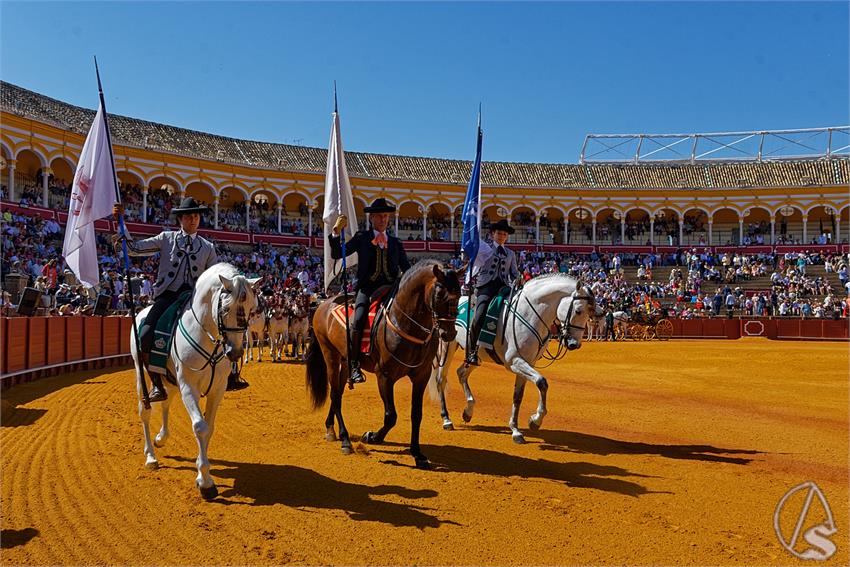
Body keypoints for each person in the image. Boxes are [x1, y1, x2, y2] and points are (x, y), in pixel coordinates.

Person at [114, 197, 220, 402]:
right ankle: (156, 384)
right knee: (144, 335)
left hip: (194, 299)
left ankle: (228, 375)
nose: (193, 220)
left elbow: (213, 276)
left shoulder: (207, 247)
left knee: (222, 332)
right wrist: (121, 223)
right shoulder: (166, 238)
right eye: (189, 216)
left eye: (196, 216)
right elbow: (134, 249)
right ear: (180, 219)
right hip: (167, 297)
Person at [329, 198, 410, 385]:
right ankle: (355, 364)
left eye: (386, 216)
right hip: (368, 288)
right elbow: (337, 253)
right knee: (358, 318)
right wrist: (335, 232)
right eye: (380, 216)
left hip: (391, 290)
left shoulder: (396, 243)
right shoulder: (362, 238)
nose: (383, 219)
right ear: (371, 218)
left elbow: (407, 269)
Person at [467, 219, 519, 366]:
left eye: (504, 234)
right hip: (486, 286)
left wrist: (518, 279)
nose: (502, 236)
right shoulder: (485, 248)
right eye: (499, 233)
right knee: (479, 315)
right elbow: (474, 259)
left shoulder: (510, 254)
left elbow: (514, 272)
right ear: (492, 234)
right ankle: (472, 351)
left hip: (504, 288)